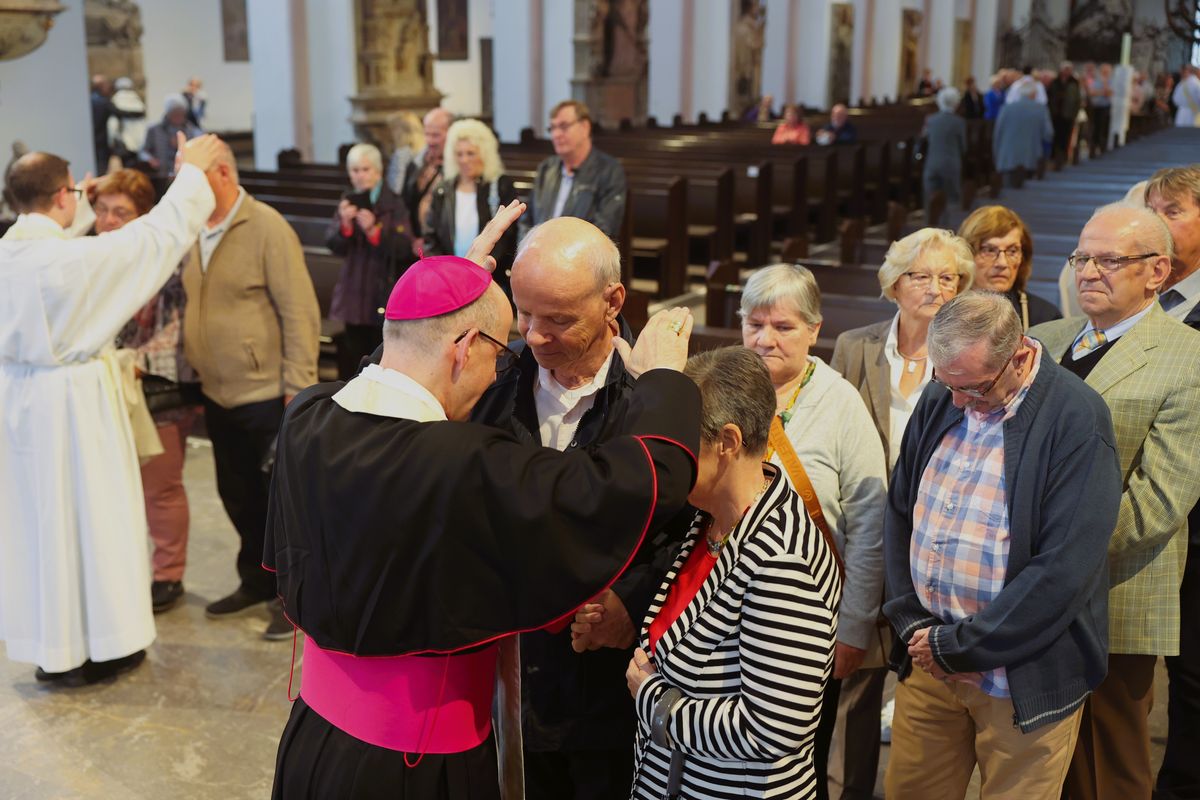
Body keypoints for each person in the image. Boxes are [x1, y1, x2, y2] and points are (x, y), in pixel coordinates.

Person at [266, 240, 702, 800]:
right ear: (465, 347)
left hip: (313, 736)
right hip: (414, 764)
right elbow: (636, 479)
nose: (511, 360)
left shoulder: (308, 415)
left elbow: (393, 367)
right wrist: (663, 379)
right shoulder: (463, 463)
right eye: (500, 352)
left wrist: (451, 291)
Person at [471, 216, 685, 800]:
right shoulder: (492, 380)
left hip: (605, 686)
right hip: (505, 673)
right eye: (524, 313)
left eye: (559, 319)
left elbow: (684, 529)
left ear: (612, 301)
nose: (536, 336)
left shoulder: (653, 395)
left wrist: (633, 603)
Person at [0, 134, 224, 685]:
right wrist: (192, 173)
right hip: (76, 408)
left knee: (42, 527)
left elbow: (60, 241)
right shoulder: (70, 262)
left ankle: (55, 647)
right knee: (96, 523)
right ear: (62, 196)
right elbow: (152, 238)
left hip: (22, 403)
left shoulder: (12, 252)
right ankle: (106, 646)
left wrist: (76, 201)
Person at [883, 291, 1121, 799]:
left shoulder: (1076, 416)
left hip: (1021, 676)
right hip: (929, 658)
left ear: (1017, 357)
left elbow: (1064, 570)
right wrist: (913, 621)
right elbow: (900, 510)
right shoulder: (944, 396)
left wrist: (962, 646)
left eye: (973, 388)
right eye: (945, 383)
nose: (956, 402)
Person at [1029, 203, 1200, 800]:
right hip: (1021, 594)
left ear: (1157, 272)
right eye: (1082, 257)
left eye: (1108, 260)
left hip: (1115, 592)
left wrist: (1051, 557)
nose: (1087, 272)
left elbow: (1159, 499)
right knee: (1037, 764)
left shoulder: (1188, 356)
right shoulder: (1043, 341)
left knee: (1107, 770)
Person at [626, 346, 841, 799]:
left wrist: (655, 702)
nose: (666, 459)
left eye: (680, 442)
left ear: (727, 441)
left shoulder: (781, 559)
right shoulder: (710, 519)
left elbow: (773, 730)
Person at [826, 229, 973, 797]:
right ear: (894, 284)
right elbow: (836, 430)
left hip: (936, 535)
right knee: (855, 678)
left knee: (925, 680)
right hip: (865, 529)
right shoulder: (855, 345)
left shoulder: (967, 353)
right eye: (921, 275)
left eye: (948, 278)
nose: (935, 288)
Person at [738, 264, 888, 800]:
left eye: (783, 327)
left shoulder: (839, 401)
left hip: (811, 623)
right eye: (755, 324)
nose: (765, 339)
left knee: (797, 762)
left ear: (814, 329)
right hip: (726, 616)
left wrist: (855, 627)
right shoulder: (723, 388)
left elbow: (870, 522)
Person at [181, 141, 321, 640]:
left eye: (191, 173)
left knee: (280, 505)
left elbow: (299, 311)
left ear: (221, 173)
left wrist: (297, 389)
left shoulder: (266, 227)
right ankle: (255, 582)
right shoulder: (193, 226)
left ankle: (295, 598)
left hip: (265, 390)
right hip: (217, 389)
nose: (182, 185)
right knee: (236, 493)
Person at [97, 169, 200, 614]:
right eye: (102, 210)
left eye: (120, 212)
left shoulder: (164, 259)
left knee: (161, 487)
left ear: (143, 216)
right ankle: (121, 574)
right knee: (112, 490)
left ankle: (168, 573)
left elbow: (175, 328)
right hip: (105, 388)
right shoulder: (92, 255)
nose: (109, 220)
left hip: (154, 388)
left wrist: (132, 363)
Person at [1143, 165, 1200, 800]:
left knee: (1193, 682)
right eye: (1151, 208)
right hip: (1134, 518)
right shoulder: (1134, 300)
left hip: (1197, 527)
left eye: (1174, 210)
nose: (1158, 221)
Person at [327, 143, 414, 379]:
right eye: (355, 170)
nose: (360, 176)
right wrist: (345, 226)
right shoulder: (348, 201)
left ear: (378, 172)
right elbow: (333, 244)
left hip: (380, 290)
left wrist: (374, 231)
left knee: (380, 359)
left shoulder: (393, 202)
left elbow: (404, 247)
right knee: (353, 358)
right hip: (354, 293)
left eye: (365, 170)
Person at [423, 120, 519, 298]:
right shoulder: (443, 190)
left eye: (470, 153)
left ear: (484, 153)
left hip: (489, 279)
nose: (464, 160)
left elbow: (507, 235)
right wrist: (447, 272)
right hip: (449, 282)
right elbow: (431, 236)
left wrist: (477, 269)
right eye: (459, 154)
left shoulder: (501, 186)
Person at [523, 99, 627, 240]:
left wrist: (559, 249)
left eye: (563, 126)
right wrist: (526, 248)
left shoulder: (610, 171)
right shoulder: (546, 168)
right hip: (538, 250)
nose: (556, 134)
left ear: (585, 127)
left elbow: (604, 228)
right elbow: (527, 220)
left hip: (579, 252)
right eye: (552, 128)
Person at [958, 205, 1060, 329]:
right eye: (989, 250)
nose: (1002, 263)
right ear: (966, 254)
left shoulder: (1046, 318)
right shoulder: (944, 310)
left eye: (1012, 251)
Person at [400, 107, 454, 247]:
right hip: (417, 242)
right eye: (426, 134)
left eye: (435, 135)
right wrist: (412, 239)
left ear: (452, 133)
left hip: (444, 246)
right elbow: (404, 204)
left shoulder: (458, 168)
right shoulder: (416, 164)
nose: (429, 141)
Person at [992, 81, 1052, 187]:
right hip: (1031, 159)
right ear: (1033, 94)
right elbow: (1048, 134)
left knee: (1007, 191)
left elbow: (997, 134)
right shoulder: (1041, 109)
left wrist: (997, 156)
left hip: (1008, 158)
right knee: (1028, 191)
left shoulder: (1006, 108)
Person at [922, 87, 967, 227]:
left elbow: (923, 140)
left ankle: (929, 228)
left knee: (930, 200)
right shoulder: (959, 122)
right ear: (956, 103)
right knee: (951, 200)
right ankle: (947, 229)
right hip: (951, 164)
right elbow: (963, 147)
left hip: (932, 164)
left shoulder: (931, 120)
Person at [140, 94, 203, 176]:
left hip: (184, 175)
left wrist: (182, 146)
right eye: (174, 113)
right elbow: (143, 151)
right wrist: (150, 159)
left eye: (181, 113)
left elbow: (199, 154)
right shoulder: (154, 130)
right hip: (161, 175)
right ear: (168, 113)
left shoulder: (193, 131)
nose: (178, 117)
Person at [108, 77, 148, 168]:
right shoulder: (137, 100)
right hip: (139, 140)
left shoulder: (116, 100)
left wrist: (111, 140)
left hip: (124, 140)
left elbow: (112, 124)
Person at [1047, 62, 1083, 162]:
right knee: (1055, 135)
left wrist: (1074, 113)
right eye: (1065, 69)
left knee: (1066, 136)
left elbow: (1077, 100)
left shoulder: (1074, 83)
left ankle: (1063, 156)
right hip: (1055, 113)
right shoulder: (1055, 82)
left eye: (1069, 70)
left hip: (1068, 114)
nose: (1067, 72)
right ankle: (1054, 156)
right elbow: (1050, 97)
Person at [385, 110, 425, 195]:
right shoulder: (425, 150)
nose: (391, 134)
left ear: (400, 131)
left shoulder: (401, 154)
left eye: (393, 129)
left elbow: (396, 187)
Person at [1087, 63, 1115, 154]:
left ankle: (1102, 146)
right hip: (1095, 107)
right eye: (1104, 71)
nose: (1105, 73)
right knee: (1094, 127)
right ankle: (1093, 146)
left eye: (1107, 72)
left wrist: (1105, 84)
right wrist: (1102, 92)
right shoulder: (1096, 81)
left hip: (1105, 107)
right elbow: (1091, 92)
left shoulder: (1111, 82)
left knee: (1103, 127)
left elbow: (1109, 93)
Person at [90, 74, 115, 172]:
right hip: (101, 141)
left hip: (94, 139)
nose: (108, 87)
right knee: (101, 169)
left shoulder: (89, 99)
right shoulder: (103, 102)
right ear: (101, 86)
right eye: (106, 84)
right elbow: (118, 112)